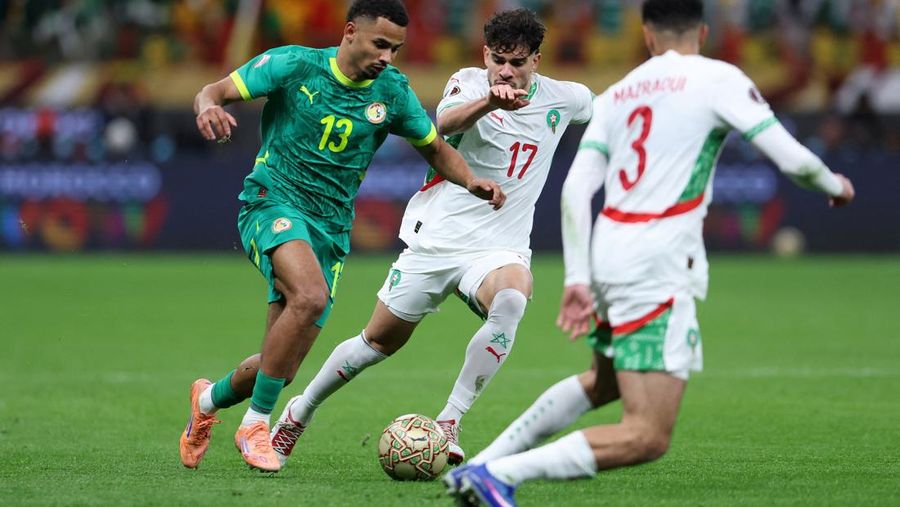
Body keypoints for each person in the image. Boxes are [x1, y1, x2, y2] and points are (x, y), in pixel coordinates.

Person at [445, 0, 856, 504]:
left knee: (604, 382)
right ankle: (501, 475)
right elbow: (790, 157)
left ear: (646, 35)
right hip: (657, 260)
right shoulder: (717, 79)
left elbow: (577, 190)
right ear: (702, 32)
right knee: (647, 434)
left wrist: (578, 279)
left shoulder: (620, 93)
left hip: (610, 254)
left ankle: (483, 465)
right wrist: (831, 181)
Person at [178, 0, 505, 473]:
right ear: (350, 32)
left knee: (281, 366)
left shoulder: (391, 93)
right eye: (379, 44)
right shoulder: (293, 64)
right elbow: (214, 90)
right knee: (308, 297)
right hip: (272, 201)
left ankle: (206, 402)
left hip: (329, 229)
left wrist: (471, 180)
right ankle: (255, 426)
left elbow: (434, 148)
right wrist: (208, 106)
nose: (387, 57)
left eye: (395, 49)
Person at [266, 8, 594, 467]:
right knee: (376, 343)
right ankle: (299, 412)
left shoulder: (567, 99)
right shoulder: (469, 83)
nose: (505, 71)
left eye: (517, 63)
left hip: (500, 247)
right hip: (438, 240)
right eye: (497, 59)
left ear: (536, 61)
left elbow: (611, 113)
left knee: (512, 300)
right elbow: (445, 124)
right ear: (485, 54)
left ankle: (449, 422)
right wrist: (491, 103)